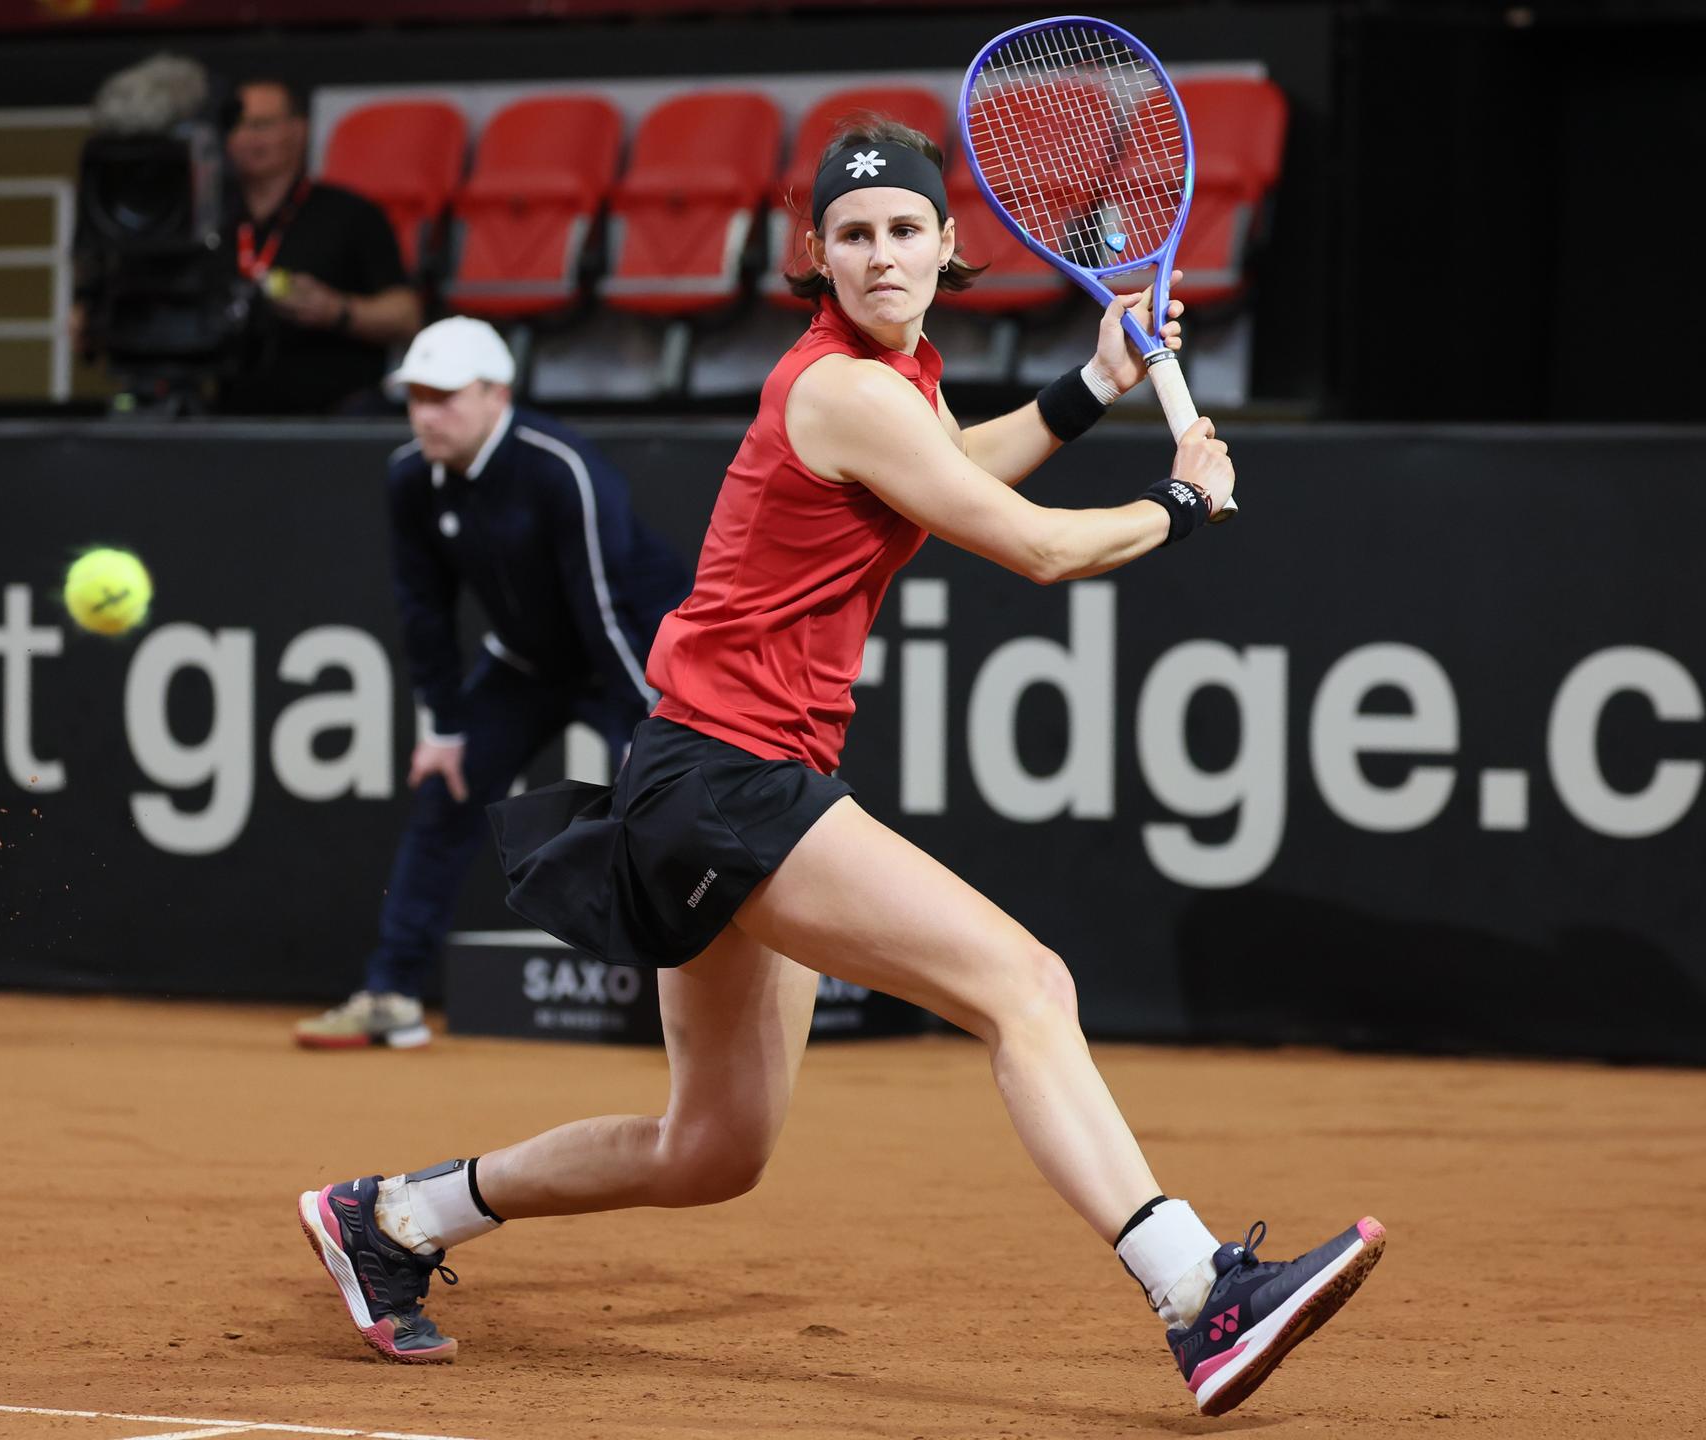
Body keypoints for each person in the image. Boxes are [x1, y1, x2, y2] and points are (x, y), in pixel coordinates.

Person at [296, 120, 1383, 1416]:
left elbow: (952, 466)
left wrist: (1090, 387)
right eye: (854, 236)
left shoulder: (894, 386)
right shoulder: (844, 387)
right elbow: (1032, 547)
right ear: (816, 254)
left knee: (711, 1150)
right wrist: (1181, 499)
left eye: (905, 232)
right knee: (1026, 987)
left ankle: (394, 1218)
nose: (880, 256)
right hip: (729, 780)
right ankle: (1198, 1293)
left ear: (945, 247)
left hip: (696, 782)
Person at [293, 316, 692, 1049]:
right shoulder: (410, 476)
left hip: (636, 658)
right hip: (525, 663)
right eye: (415, 397)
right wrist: (443, 727)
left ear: (496, 393)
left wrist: (650, 724)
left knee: (667, 814)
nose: (425, 414)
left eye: (444, 397)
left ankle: (702, 1009)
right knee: (445, 794)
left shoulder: (559, 467)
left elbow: (602, 608)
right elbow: (423, 610)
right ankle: (391, 994)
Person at [216, 77, 422, 415]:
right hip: (222, 411)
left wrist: (337, 310)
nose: (247, 137)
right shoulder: (208, 221)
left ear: (299, 130)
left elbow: (406, 316)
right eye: (237, 125)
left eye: (262, 125)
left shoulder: (350, 214)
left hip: (333, 414)